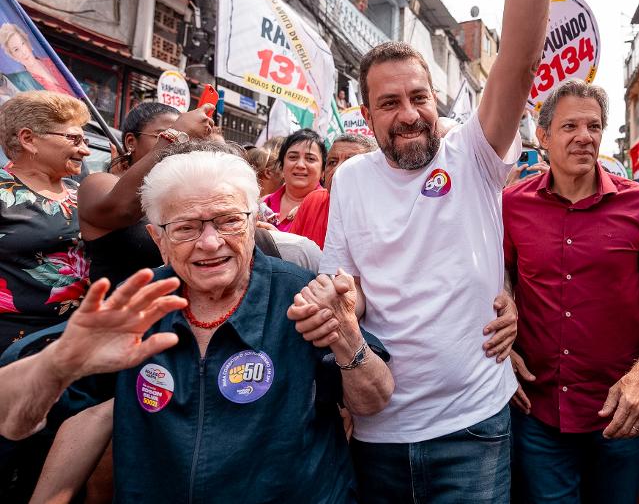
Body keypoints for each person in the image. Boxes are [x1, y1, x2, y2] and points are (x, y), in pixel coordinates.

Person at [292, 0, 551, 501]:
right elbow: (346, 279)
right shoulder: (350, 180)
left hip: (473, 429)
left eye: (419, 97)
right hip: (377, 429)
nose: (408, 114)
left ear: (437, 101)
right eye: (389, 103)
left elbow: (520, 54)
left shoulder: (473, 153)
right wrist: (336, 302)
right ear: (366, 115)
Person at [2, 148, 394, 503]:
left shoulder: (300, 296)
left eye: (227, 221)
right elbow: (51, 417)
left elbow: (372, 402)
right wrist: (61, 363)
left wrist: (347, 339)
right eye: (187, 227)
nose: (210, 243)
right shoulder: (133, 304)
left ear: (254, 222)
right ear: (158, 238)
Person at [502, 79, 639, 504]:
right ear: (542, 137)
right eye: (570, 127)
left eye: (594, 126)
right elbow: (498, 280)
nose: (585, 137)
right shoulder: (511, 204)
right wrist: (503, 340)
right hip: (538, 412)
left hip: (622, 412)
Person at [0, 90, 91, 502]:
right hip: (11, 347)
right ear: (28, 139)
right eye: (73, 138)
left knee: (53, 456)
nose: (85, 148)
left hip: (75, 344)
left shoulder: (88, 194)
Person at [78, 101, 212, 288]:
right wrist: (175, 134)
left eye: (187, 138)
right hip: (123, 313)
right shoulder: (98, 184)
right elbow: (123, 209)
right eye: (162, 134)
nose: (182, 142)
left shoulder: (184, 193)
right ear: (131, 142)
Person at [290, 134, 376, 249]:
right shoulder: (314, 201)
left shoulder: (383, 215)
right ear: (324, 174)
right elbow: (293, 255)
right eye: (332, 162)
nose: (337, 169)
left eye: (350, 162)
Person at [263, 129, 326, 231]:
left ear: (323, 171)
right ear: (282, 166)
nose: (300, 165)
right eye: (293, 157)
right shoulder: (264, 203)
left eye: (310, 159)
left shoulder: (329, 207)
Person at [0, 24, 73, 95]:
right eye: (16, 49)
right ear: (13, 56)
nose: (23, 51)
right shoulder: (21, 82)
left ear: (28, 42)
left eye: (22, 43)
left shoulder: (53, 61)